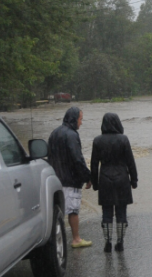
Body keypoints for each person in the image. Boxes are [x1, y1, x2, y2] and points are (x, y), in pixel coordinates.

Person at [90, 113, 138, 252]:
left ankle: (107, 242)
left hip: (105, 179)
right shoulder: (123, 140)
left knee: (106, 212)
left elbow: (94, 164)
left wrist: (94, 182)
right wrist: (134, 180)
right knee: (121, 212)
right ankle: (120, 242)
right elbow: (130, 162)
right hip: (122, 179)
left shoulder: (97, 141)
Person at [48, 107, 92, 248]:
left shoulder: (54, 133)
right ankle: (76, 239)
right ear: (74, 119)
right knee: (73, 211)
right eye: (80, 119)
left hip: (55, 179)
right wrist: (87, 176)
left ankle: (55, 241)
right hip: (70, 180)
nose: (81, 123)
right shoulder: (72, 135)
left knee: (57, 211)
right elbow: (77, 159)